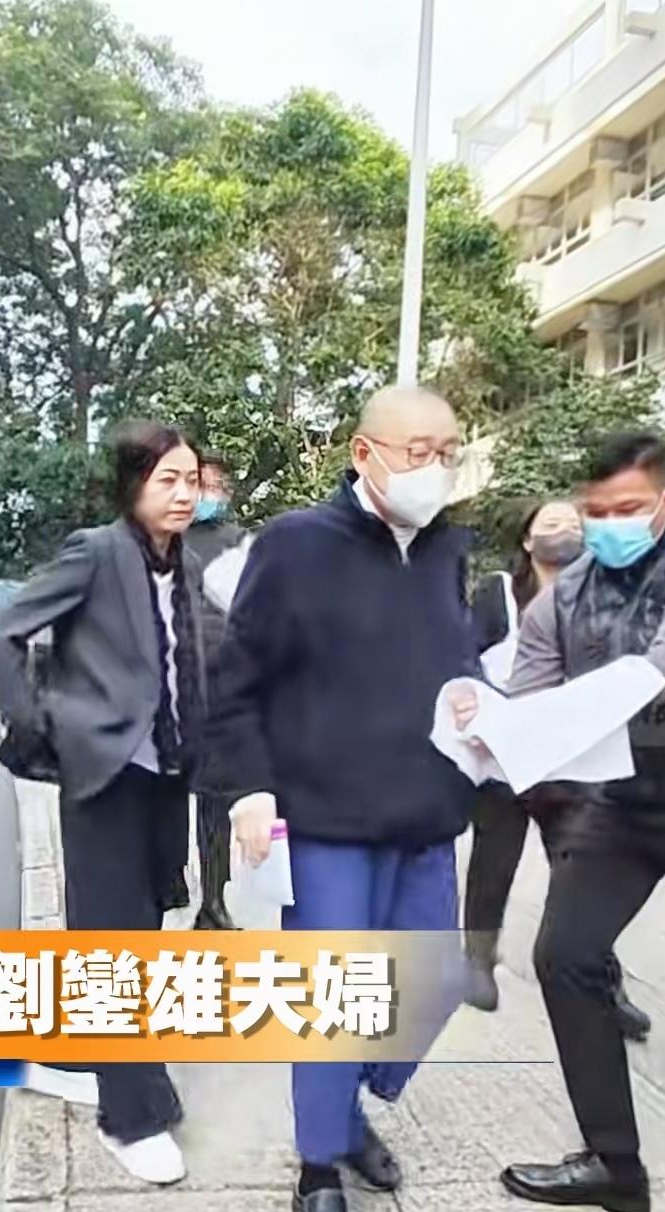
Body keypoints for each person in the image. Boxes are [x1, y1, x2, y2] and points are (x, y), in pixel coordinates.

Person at [204, 386, 479, 1212]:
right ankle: (321, 1164)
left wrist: (478, 698)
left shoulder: (447, 549)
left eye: (449, 453)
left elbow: (455, 657)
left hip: (426, 813)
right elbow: (237, 679)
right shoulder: (295, 544)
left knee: (432, 984)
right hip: (325, 818)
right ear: (365, 454)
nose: (437, 469)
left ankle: (352, 1102)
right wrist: (249, 788)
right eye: (419, 453)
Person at [452, 433, 665, 1212]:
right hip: (621, 801)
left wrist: (551, 719)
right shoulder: (565, 595)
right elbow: (530, 702)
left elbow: (664, 676)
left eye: (628, 509)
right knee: (566, 955)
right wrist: (488, 723)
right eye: (595, 511)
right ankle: (614, 1165)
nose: (608, 525)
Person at [0, 420, 206, 1186]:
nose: (183, 494)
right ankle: (129, 1118)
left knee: (142, 927)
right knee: (114, 942)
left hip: (166, 775)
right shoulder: (96, 552)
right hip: (106, 773)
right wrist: (38, 724)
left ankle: (91, 1059)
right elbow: (5, 632)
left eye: (191, 480)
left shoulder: (184, 563)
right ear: (133, 485)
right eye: (167, 479)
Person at [464, 501, 652, 1042]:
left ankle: (604, 987)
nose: (564, 530)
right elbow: (464, 656)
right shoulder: (499, 593)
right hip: (505, 757)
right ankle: (477, 961)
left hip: (572, 762)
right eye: (551, 523)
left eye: (573, 524)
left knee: (582, 879)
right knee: (493, 864)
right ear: (527, 541)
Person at [183, 451, 247, 929]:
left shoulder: (238, 543)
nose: (212, 492)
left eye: (219, 485)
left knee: (215, 802)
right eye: (203, 483)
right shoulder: (164, 539)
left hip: (225, 689)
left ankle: (213, 900)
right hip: (172, 686)